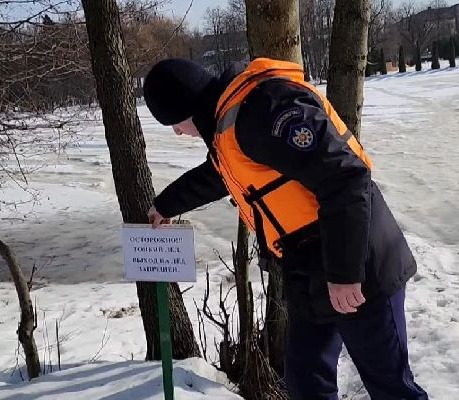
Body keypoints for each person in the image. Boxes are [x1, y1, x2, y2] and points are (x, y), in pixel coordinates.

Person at [143, 57, 428, 400]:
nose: (178, 133)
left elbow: (347, 177)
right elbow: (219, 176)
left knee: (391, 386)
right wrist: (166, 205)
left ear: (187, 108)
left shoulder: (263, 110)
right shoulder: (228, 127)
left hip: (358, 259)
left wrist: (345, 274)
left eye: (174, 123)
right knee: (306, 382)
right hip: (309, 267)